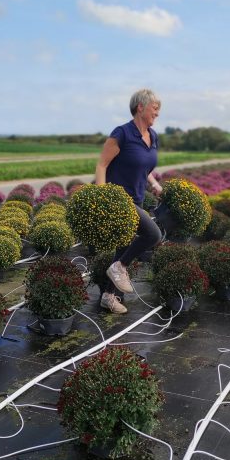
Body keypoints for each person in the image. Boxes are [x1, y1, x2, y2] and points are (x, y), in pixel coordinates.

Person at [95, 88, 164, 314]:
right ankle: (120, 267)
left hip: (138, 198)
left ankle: (108, 297)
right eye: (155, 108)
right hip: (119, 199)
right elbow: (102, 165)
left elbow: (143, 167)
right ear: (140, 107)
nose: (157, 113)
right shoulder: (122, 133)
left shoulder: (152, 136)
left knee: (124, 247)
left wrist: (153, 183)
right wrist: (103, 197)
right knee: (153, 234)